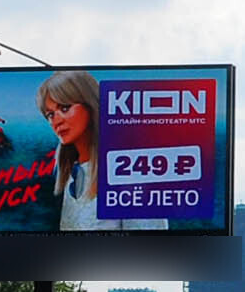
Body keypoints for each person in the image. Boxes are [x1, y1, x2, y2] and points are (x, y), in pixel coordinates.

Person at [38, 67, 163, 231]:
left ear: (90, 104)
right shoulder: (68, 172)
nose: (56, 121)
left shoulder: (132, 171)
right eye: (50, 115)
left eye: (65, 108)